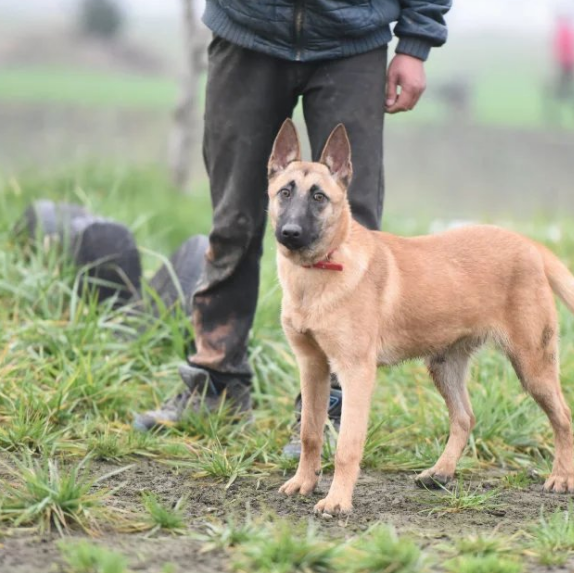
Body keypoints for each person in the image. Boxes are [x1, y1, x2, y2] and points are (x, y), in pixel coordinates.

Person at [133, 0, 451, 454]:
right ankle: (214, 382)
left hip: (352, 37)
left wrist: (417, 41)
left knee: (349, 227)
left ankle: (330, 407)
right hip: (248, 29)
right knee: (233, 221)